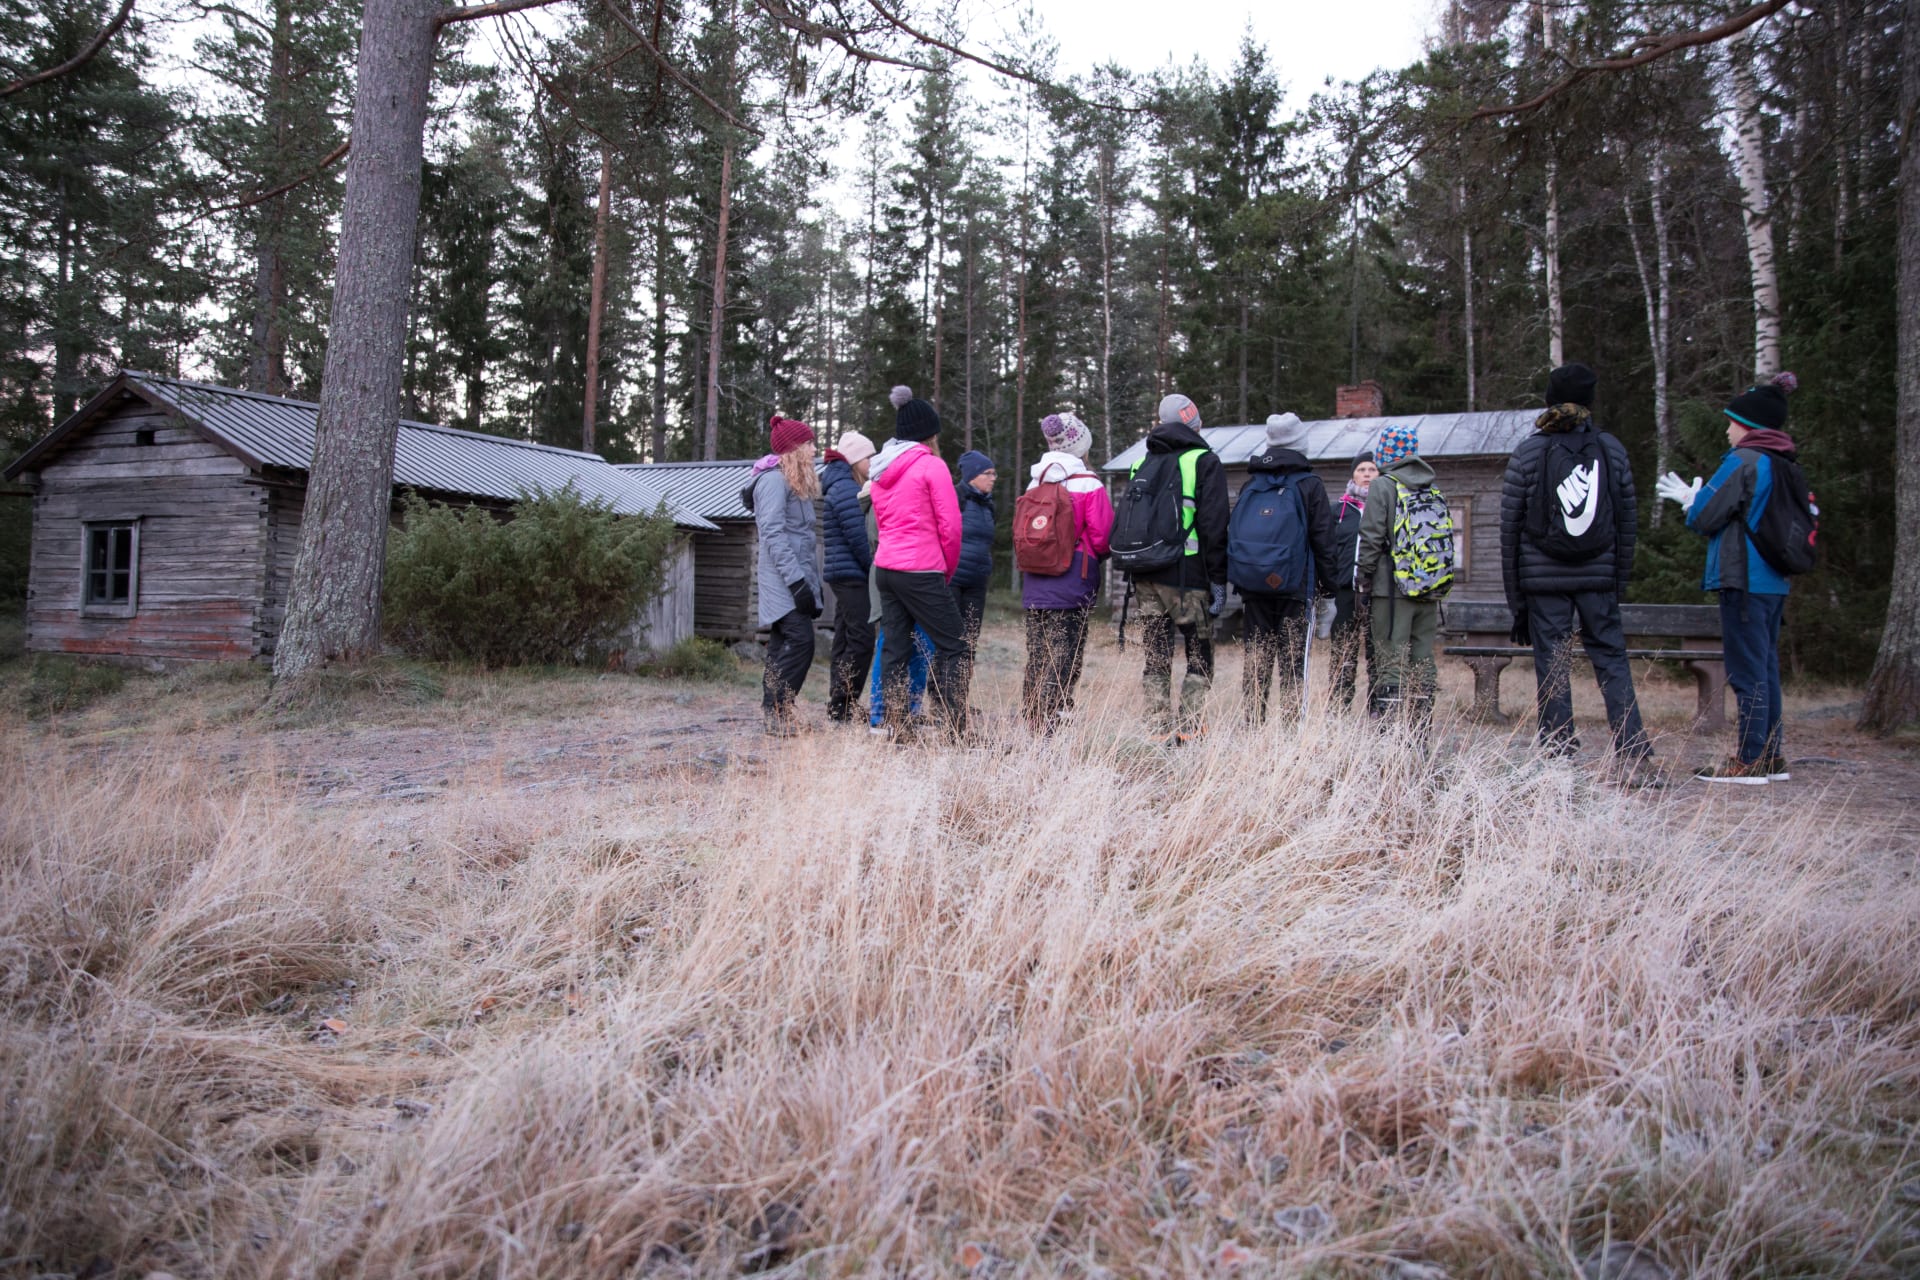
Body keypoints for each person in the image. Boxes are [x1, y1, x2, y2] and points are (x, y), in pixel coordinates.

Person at [1499, 362, 1652, 771]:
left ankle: (1557, 753)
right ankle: (1634, 752)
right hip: (1598, 578)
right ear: (1590, 401)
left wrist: (1517, 602)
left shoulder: (1529, 452)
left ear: (1549, 399)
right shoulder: (1610, 449)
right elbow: (1627, 523)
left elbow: (1509, 529)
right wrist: (1616, 584)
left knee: (1553, 663)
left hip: (1543, 581)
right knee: (1612, 661)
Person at [1660, 372, 1802, 784]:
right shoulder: (1784, 463)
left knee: (1746, 670)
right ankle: (1771, 756)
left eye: (1732, 422)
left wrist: (1691, 500)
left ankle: (1750, 760)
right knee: (1766, 667)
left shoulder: (1742, 461)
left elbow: (1705, 517)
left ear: (1749, 426)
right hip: (1774, 580)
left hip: (1743, 578)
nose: (1727, 430)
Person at [1127, 393, 1229, 744]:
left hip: (1144, 575)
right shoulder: (1203, 460)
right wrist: (1219, 579)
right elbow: (1214, 527)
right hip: (1187, 576)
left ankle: (1156, 731)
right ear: (1195, 424)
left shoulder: (1141, 463)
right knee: (1200, 652)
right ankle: (1189, 731)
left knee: (1155, 655)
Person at [870, 385, 970, 738]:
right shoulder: (931, 466)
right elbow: (951, 527)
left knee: (895, 649)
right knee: (956, 645)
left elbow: (882, 522)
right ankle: (955, 727)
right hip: (921, 569)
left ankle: (893, 726)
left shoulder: (880, 469)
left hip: (887, 568)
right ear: (929, 434)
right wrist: (946, 570)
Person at [1230, 412, 1339, 724]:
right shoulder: (1309, 485)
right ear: (1301, 444)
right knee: (1293, 665)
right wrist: (1329, 592)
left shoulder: (1251, 483)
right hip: (1295, 587)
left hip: (1254, 586)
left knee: (1256, 662)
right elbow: (1324, 541)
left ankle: (1252, 727)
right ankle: (1291, 735)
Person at [1020, 412, 1113, 731]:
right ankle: (1053, 718)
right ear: (1080, 445)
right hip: (1073, 579)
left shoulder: (1035, 481)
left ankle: (1032, 717)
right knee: (1065, 652)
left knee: (1037, 654)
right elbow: (1102, 537)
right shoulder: (1088, 483)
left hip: (1035, 579)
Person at [1355, 423, 1449, 728]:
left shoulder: (1383, 486)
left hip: (1390, 589)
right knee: (1423, 656)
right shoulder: (1431, 486)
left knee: (1390, 655)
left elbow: (1371, 537)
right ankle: (1420, 730)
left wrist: (1363, 579)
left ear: (1385, 452)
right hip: (1428, 587)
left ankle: (1389, 730)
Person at [746, 414, 822, 735]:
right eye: (809, 444)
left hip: (794, 578)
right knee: (801, 641)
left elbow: (801, 539)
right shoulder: (773, 482)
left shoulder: (792, 482)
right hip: (783, 580)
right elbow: (773, 535)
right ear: (794, 448)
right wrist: (796, 582)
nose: (814, 449)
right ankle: (778, 710)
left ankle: (775, 712)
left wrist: (810, 585)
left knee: (781, 645)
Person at [819, 430, 876, 723]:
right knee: (862, 639)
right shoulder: (845, 489)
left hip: (845, 573)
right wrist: (875, 569)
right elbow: (859, 539)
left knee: (844, 639)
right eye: (869, 457)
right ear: (854, 460)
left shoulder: (845, 484)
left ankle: (838, 704)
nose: (873, 462)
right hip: (851, 574)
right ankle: (843, 705)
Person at [1329, 452, 1378, 709]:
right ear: (1353, 475)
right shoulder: (1339, 510)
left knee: (1377, 650)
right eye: (1361, 469)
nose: (1367, 474)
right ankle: (1339, 706)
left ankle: (1378, 708)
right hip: (1345, 590)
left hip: (1376, 591)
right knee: (1343, 649)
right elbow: (1327, 548)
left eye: (1372, 469)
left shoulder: (1385, 507)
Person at [952, 450, 997, 650]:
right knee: (951, 640)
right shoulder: (955, 498)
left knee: (970, 641)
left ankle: (964, 672)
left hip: (977, 582)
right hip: (953, 581)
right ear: (972, 476)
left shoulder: (988, 505)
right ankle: (941, 674)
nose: (993, 478)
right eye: (987, 473)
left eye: (994, 473)